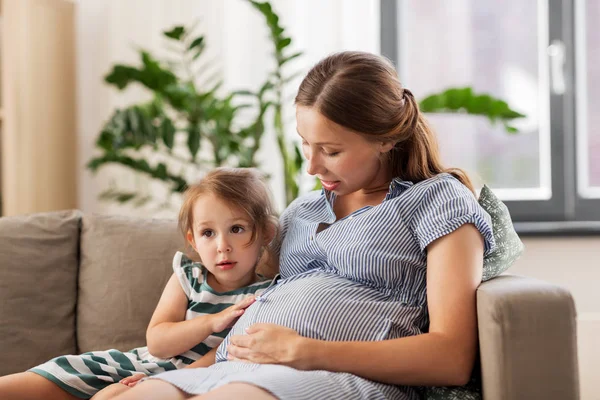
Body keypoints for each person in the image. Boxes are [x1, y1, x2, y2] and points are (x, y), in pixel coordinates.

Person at [103, 50, 498, 400]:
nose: (312, 166)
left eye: (332, 151)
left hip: (338, 376)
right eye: (305, 144)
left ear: (384, 139)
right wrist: (177, 375)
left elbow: (451, 357)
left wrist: (306, 351)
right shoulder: (302, 212)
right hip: (233, 369)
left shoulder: (438, 201)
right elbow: (246, 304)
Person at [0, 168, 279, 400]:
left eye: (237, 229)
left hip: (185, 380)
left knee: (109, 396)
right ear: (193, 239)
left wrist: (167, 381)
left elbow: (224, 358)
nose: (222, 246)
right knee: (35, 381)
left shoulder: (265, 296)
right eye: (208, 233)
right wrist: (211, 322)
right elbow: (157, 342)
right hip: (141, 362)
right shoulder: (188, 276)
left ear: (266, 232)